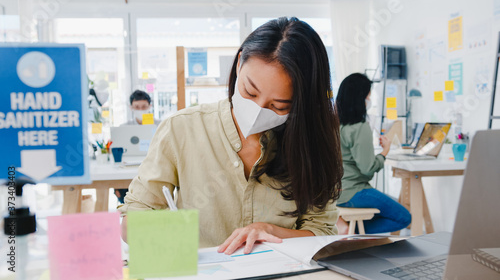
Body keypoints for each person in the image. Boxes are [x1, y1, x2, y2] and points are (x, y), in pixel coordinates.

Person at [118, 17, 344, 254]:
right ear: (239, 63)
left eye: (278, 105)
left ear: (302, 103)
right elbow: (132, 221)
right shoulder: (182, 129)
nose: (258, 110)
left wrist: (270, 230)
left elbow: (322, 232)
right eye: (249, 91)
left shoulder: (313, 142)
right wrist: (167, 234)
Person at [334, 73, 411, 234]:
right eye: (369, 95)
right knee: (404, 217)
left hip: (336, 192)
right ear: (361, 98)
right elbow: (367, 169)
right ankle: (353, 232)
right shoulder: (360, 128)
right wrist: (384, 152)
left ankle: (350, 229)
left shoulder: (334, 125)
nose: (370, 99)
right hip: (354, 191)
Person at [115, 90, 160, 203]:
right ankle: (129, 213)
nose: (140, 110)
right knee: (124, 190)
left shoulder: (159, 125)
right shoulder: (124, 128)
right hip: (129, 166)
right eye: (137, 107)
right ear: (131, 108)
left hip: (153, 166)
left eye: (144, 107)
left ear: (150, 106)